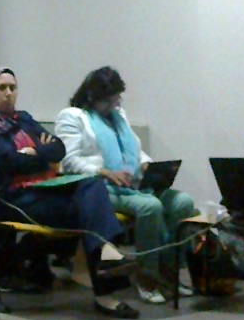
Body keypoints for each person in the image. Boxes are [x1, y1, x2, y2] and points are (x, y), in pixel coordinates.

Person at [0, 67, 138, 318]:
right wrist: (40, 152)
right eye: (1, 88)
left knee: (91, 186)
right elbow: (7, 162)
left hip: (45, 190)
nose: (8, 93)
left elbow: (58, 149)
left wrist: (32, 153)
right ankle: (106, 289)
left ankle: (107, 257)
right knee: (92, 213)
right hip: (13, 198)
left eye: (13, 88)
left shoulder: (23, 119)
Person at [55, 68, 197, 305]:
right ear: (91, 96)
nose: (113, 105)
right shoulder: (72, 117)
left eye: (116, 99)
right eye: (107, 101)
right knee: (150, 206)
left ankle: (168, 271)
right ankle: (147, 275)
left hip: (131, 183)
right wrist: (103, 171)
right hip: (100, 189)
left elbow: (134, 151)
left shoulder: (118, 115)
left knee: (183, 202)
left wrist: (147, 166)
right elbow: (68, 162)